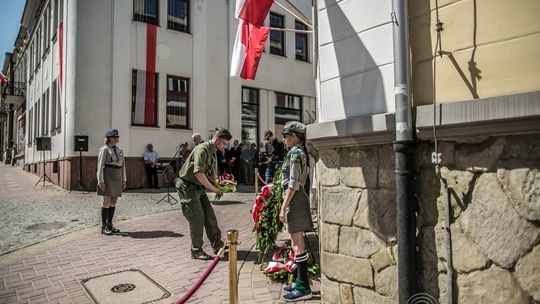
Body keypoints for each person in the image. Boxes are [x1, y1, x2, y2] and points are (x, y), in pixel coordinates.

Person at [175, 128, 232, 260]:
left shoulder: (212, 151)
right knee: (197, 219)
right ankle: (196, 250)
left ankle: (217, 244)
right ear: (216, 140)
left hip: (198, 187)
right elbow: (198, 173)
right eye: (223, 143)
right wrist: (213, 189)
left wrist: (220, 185)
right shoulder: (202, 149)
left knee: (209, 215)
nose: (224, 146)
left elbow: (210, 173)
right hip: (187, 187)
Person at [278, 121, 313, 301]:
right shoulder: (295, 153)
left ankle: (303, 287)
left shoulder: (296, 154)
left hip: (295, 200)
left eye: (285, 136)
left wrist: (283, 207)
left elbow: (293, 183)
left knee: (298, 244)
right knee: (295, 243)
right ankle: (300, 280)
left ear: (293, 136)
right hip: (295, 199)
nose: (283, 140)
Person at [97, 129, 127, 235]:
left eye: (117, 137)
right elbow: (100, 166)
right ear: (109, 138)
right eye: (114, 137)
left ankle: (110, 224)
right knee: (106, 201)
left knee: (114, 202)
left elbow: (123, 166)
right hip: (108, 175)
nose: (117, 139)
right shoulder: (104, 149)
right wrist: (100, 181)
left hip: (117, 175)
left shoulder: (120, 150)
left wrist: (124, 180)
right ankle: (104, 226)